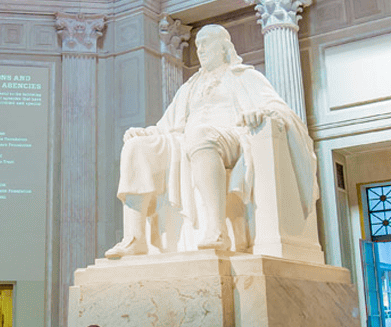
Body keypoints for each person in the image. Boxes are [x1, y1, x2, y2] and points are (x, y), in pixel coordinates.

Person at [105, 24, 317, 257]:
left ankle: (217, 230)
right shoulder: (190, 86)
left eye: (206, 43)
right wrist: (148, 134)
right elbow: (167, 125)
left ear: (224, 47)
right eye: (197, 45)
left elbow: (279, 109)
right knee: (136, 147)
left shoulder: (245, 76)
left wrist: (261, 113)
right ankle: (134, 238)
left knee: (201, 135)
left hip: (232, 135)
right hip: (187, 140)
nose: (200, 49)